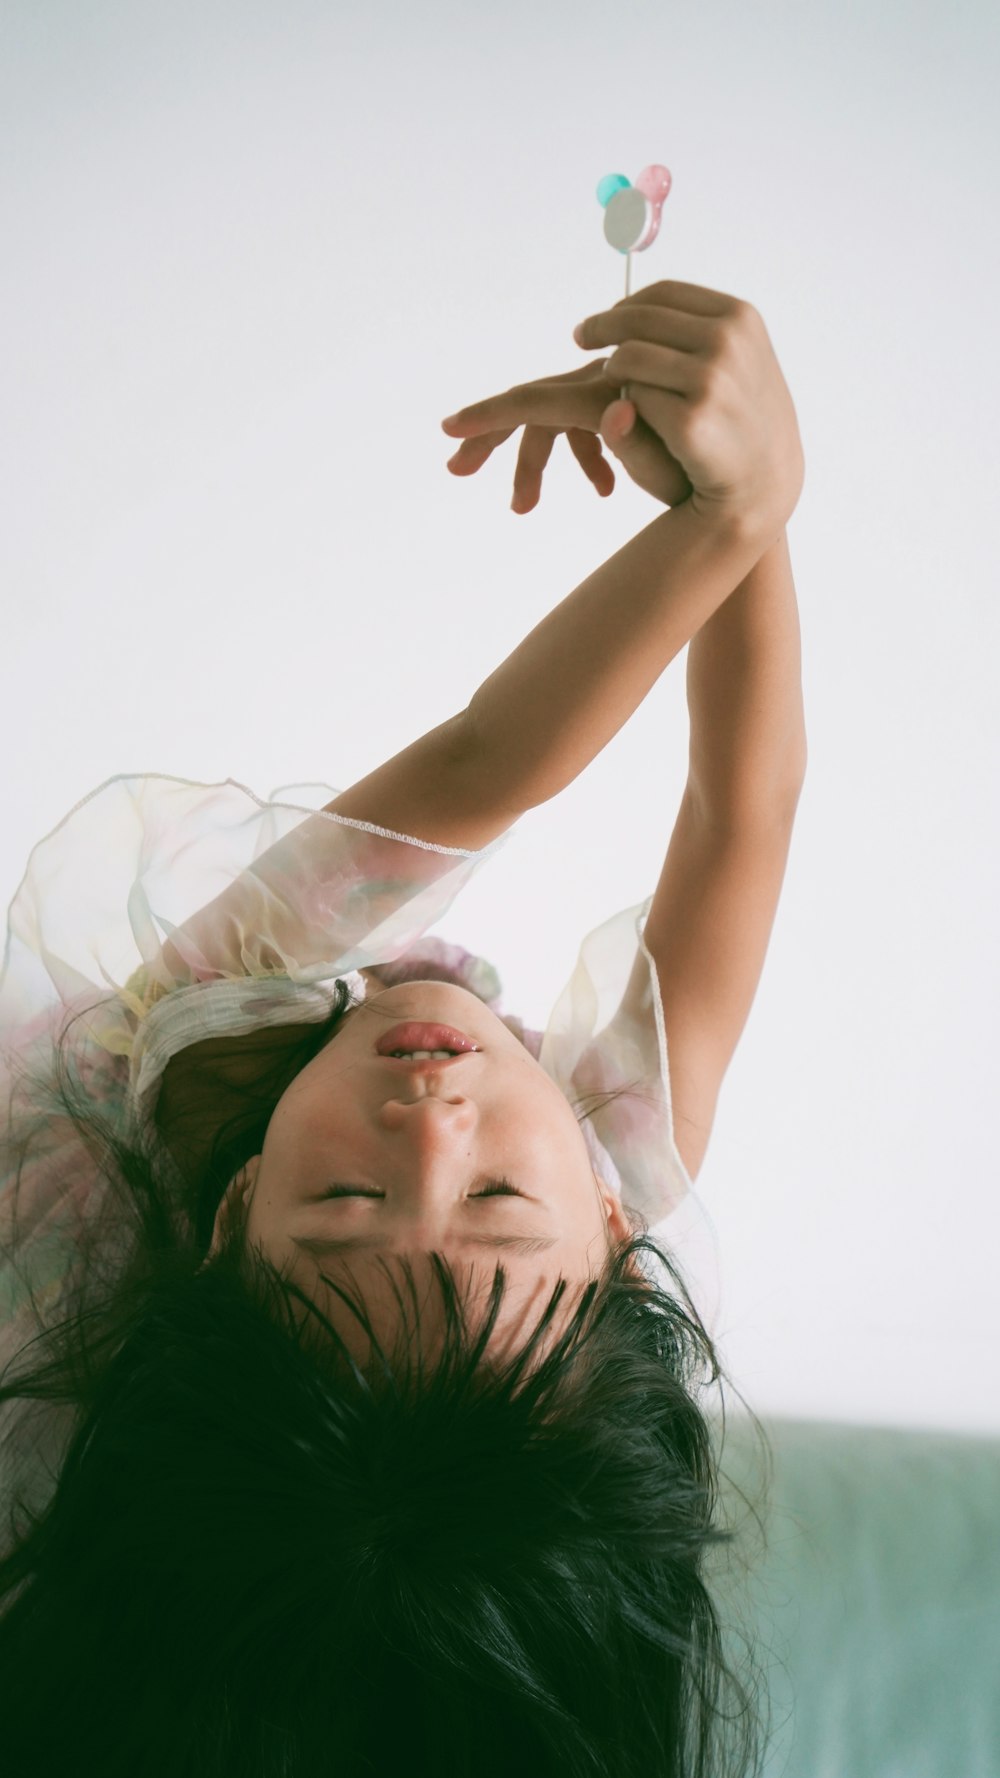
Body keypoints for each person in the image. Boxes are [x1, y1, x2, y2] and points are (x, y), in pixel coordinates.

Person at [0, 280, 804, 1776]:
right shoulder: (619, 1166)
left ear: (233, 1205)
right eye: (498, 1197)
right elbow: (740, 813)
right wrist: (748, 508)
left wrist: (723, 514)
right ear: (616, 1228)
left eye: (347, 1202)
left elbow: (483, 763)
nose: (431, 1122)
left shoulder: (173, 1064)